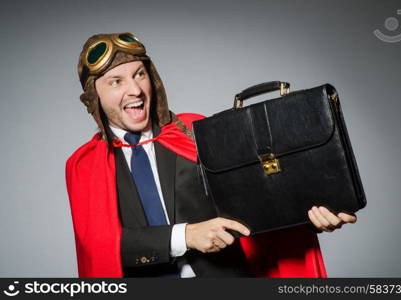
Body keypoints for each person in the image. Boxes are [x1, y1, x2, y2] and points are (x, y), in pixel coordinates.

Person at [66, 32, 357, 278]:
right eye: (116, 81)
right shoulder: (85, 165)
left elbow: (257, 196)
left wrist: (308, 216)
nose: (135, 90)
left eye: (139, 74)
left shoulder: (194, 131)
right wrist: (186, 236)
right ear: (94, 98)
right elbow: (102, 247)